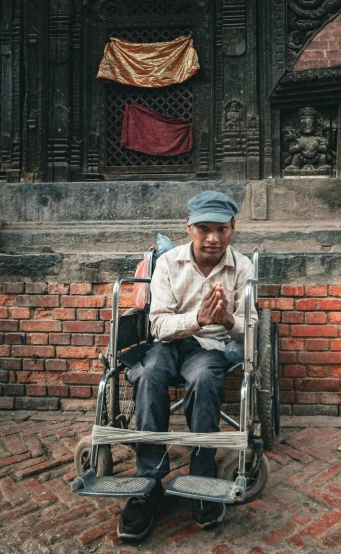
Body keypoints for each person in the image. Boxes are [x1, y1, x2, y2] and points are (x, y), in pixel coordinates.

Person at [117, 191, 255, 541]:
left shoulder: (242, 267)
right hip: (168, 344)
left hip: (209, 347)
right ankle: (148, 484)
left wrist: (225, 320)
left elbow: (249, 326)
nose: (213, 238)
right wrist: (197, 318)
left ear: (233, 228)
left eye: (221, 229)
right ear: (189, 227)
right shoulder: (169, 263)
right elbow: (158, 325)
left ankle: (202, 478)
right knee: (146, 374)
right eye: (204, 228)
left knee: (206, 378)